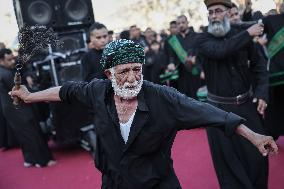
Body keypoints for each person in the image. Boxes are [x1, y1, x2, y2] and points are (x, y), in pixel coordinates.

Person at [10, 39, 277, 189]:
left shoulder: (164, 98)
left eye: (136, 69)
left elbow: (213, 114)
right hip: (114, 183)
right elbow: (65, 91)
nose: (131, 78)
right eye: (123, 71)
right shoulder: (97, 91)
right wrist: (30, 96)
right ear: (108, 75)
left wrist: (253, 135)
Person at [197, 0, 270, 188]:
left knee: (258, 159)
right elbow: (220, 51)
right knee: (229, 169)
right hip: (217, 112)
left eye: (218, 11)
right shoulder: (203, 39)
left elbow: (260, 66)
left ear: (229, 13)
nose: (213, 16)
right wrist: (248, 33)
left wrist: (262, 93)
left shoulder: (242, 36)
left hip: (247, 107)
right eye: (210, 12)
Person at [0, 48, 54, 167]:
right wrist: (43, 94)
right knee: (32, 133)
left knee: (23, 134)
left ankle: (29, 159)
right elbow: (22, 91)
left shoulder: (5, 72)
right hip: (19, 109)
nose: (12, 62)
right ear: (1, 60)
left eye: (12, 59)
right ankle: (43, 160)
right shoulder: (7, 74)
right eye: (9, 60)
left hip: (10, 109)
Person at [261, 2, 284, 139]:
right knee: (274, 108)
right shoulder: (269, 21)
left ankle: (272, 133)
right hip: (275, 76)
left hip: (274, 75)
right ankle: (272, 134)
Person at [167, 15, 203, 99]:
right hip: (182, 74)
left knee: (197, 99)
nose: (181, 25)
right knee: (185, 99)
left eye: (183, 22)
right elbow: (171, 55)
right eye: (179, 23)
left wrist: (195, 58)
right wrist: (171, 63)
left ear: (187, 23)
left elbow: (201, 53)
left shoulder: (196, 36)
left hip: (196, 72)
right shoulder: (174, 39)